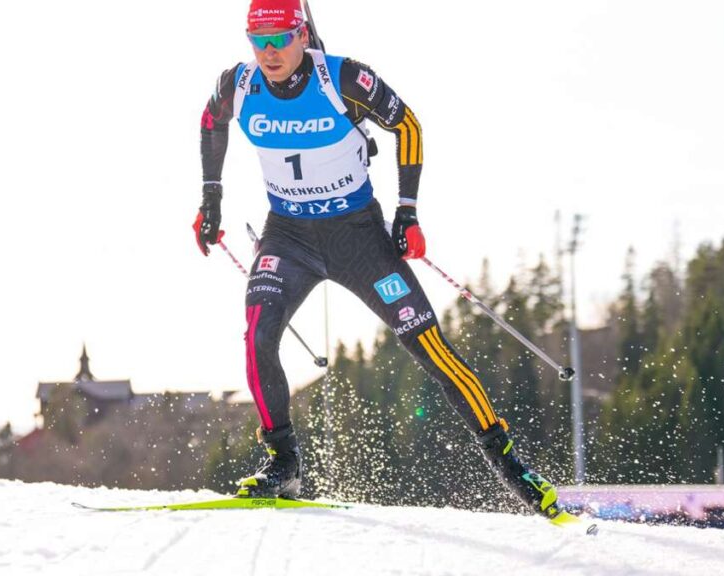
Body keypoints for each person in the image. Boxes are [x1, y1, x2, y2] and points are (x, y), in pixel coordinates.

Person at [195, 0, 569, 522]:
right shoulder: (239, 83)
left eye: (279, 38)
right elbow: (212, 121)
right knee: (258, 336)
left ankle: (512, 468)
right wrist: (211, 201)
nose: (269, 52)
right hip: (288, 237)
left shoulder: (343, 78)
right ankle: (284, 464)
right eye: (258, 41)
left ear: (302, 34)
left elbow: (408, 125)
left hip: (358, 237)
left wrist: (408, 212)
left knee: (429, 347)